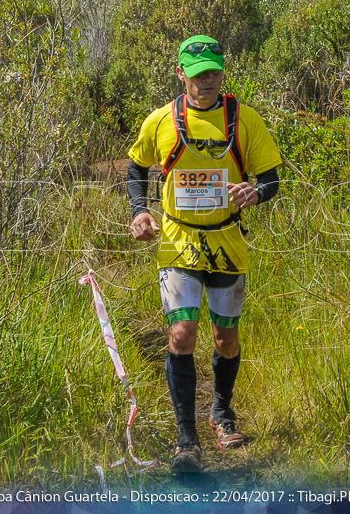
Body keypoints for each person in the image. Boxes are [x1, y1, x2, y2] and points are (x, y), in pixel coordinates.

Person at [126, 34, 282, 472]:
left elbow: (271, 178)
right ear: (181, 75)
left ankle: (221, 410)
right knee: (182, 335)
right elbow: (136, 166)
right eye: (197, 75)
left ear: (222, 72)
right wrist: (140, 211)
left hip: (229, 242)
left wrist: (255, 192)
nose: (207, 81)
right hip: (178, 242)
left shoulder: (244, 120)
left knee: (225, 339)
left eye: (213, 72)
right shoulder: (161, 121)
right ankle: (186, 439)